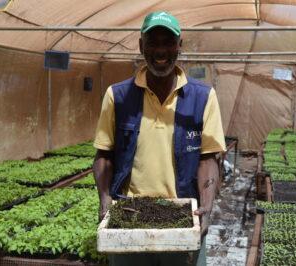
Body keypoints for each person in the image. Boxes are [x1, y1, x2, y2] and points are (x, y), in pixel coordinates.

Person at [93, 11, 226, 266]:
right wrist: (104, 198)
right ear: (141, 45)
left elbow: (208, 159)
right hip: (128, 218)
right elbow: (104, 155)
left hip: (183, 217)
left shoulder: (203, 98)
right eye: (153, 42)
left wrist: (207, 208)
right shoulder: (118, 96)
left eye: (168, 42)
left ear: (179, 45)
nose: (161, 50)